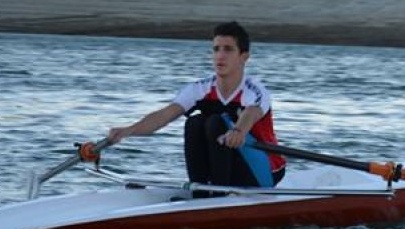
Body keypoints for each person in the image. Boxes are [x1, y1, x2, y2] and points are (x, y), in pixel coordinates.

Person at [107, 21, 286, 189]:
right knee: (194, 122)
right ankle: (200, 191)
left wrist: (238, 131)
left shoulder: (254, 90)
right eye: (216, 49)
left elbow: (251, 113)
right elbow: (164, 116)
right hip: (229, 163)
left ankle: (217, 195)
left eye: (228, 49)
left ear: (243, 57)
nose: (220, 56)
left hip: (265, 169)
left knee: (215, 123)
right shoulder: (200, 88)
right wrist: (127, 131)